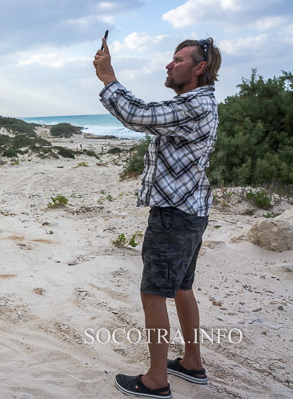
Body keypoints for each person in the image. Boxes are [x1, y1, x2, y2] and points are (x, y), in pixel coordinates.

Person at [93, 36, 221, 399]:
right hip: (192, 209)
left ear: (199, 68)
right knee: (181, 287)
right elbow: (148, 115)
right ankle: (192, 363)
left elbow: (139, 115)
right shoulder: (199, 102)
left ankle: (155, 381)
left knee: (153, 293)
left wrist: (108, 78)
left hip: (174, 215)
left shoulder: (194, 104)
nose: (169, 65)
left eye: (178, 59)